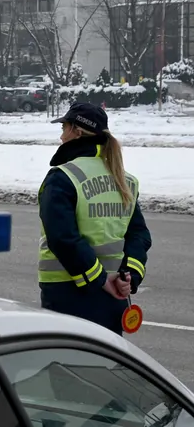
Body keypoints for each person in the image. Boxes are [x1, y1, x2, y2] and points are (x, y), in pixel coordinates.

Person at [38, 102, 152, 335]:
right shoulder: (124, 179)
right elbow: (138, 235)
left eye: (64, 129)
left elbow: (62, 238)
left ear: (77, 132)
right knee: (105, 367)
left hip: (68, 293)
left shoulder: (63, 177)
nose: (61, 138)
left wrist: (99, 280)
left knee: (66, 368)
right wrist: (129, 276)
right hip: (115, 296)